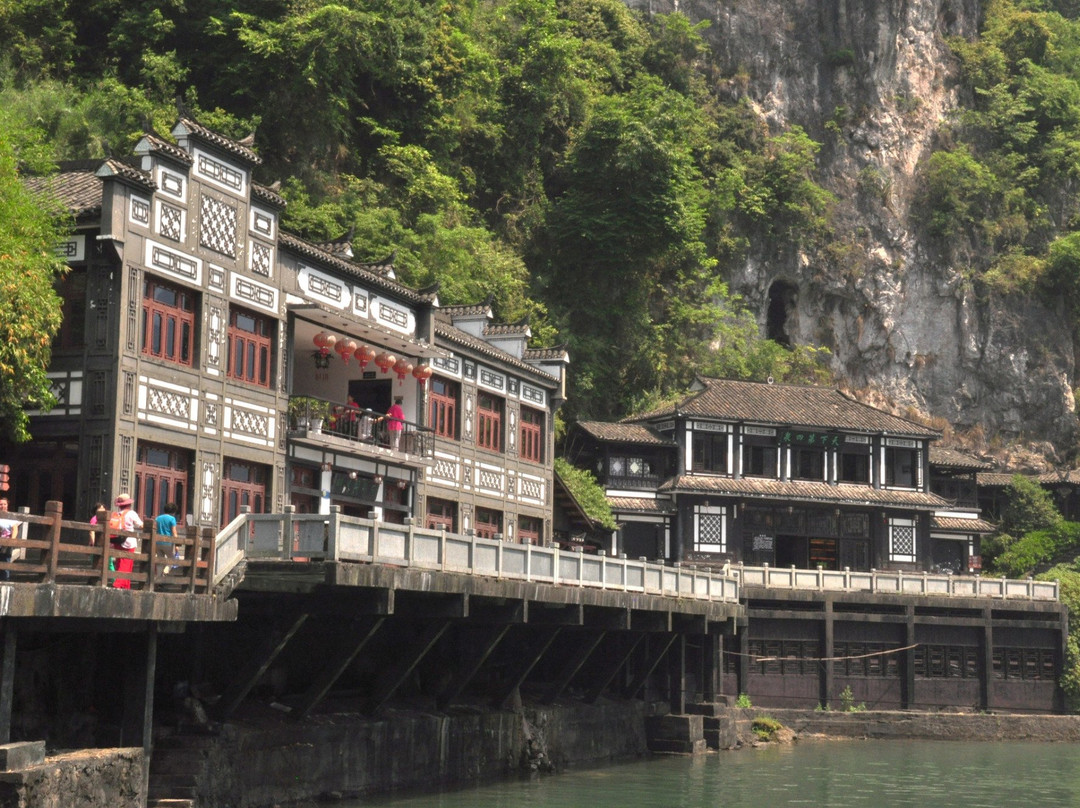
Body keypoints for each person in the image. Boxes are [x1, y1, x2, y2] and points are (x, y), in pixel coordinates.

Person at [109, 493, 143, 589]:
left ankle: (125, 586)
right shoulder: (131, 513)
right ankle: (118, 584)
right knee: (126, 563)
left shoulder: (115, 514)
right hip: (129, 542)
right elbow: (140, 525)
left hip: (117, 540)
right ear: (129, 504)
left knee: (120, 562)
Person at [155, 502, 180, 574]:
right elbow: (174, 532)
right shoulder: (172, 519)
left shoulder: (158, 518)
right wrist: (177, 545)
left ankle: (158, 579)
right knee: (172, 559)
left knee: (160, 561)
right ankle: (165, 571)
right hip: (168, 543)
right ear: (173, 511)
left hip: (158, 542)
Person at [0, 497, 19, 581]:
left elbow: (15, 529)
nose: (2, 506)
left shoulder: (10, 516)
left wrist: (11, 541)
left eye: (4, 504)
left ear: (7, 505)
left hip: (6, 544)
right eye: (0, 504)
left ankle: (5, 583)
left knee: (6, 564)